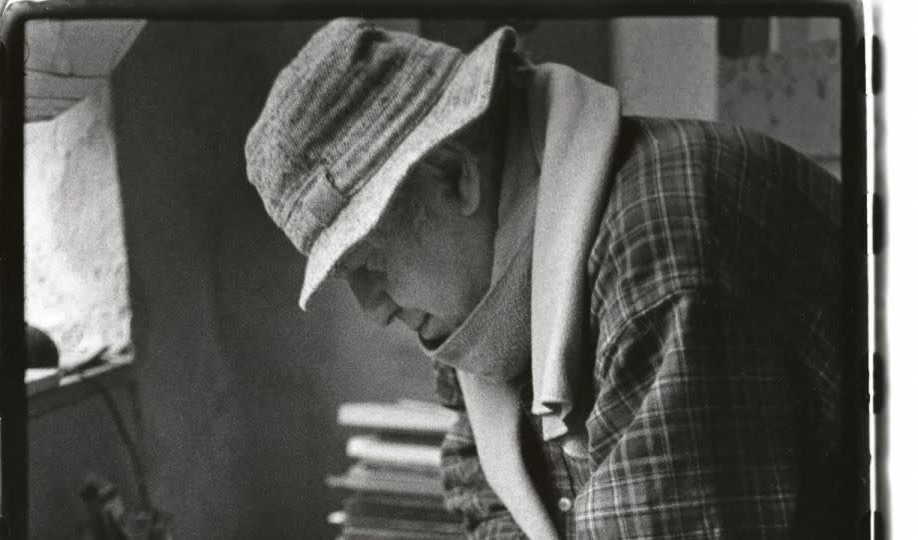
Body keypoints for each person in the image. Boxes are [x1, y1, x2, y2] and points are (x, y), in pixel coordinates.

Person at [244, 18, 861, 539]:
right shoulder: (487, 296)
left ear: (456, 176)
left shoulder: (657, 253)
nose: (373, 309)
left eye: (369, 264)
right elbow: (481, 483)